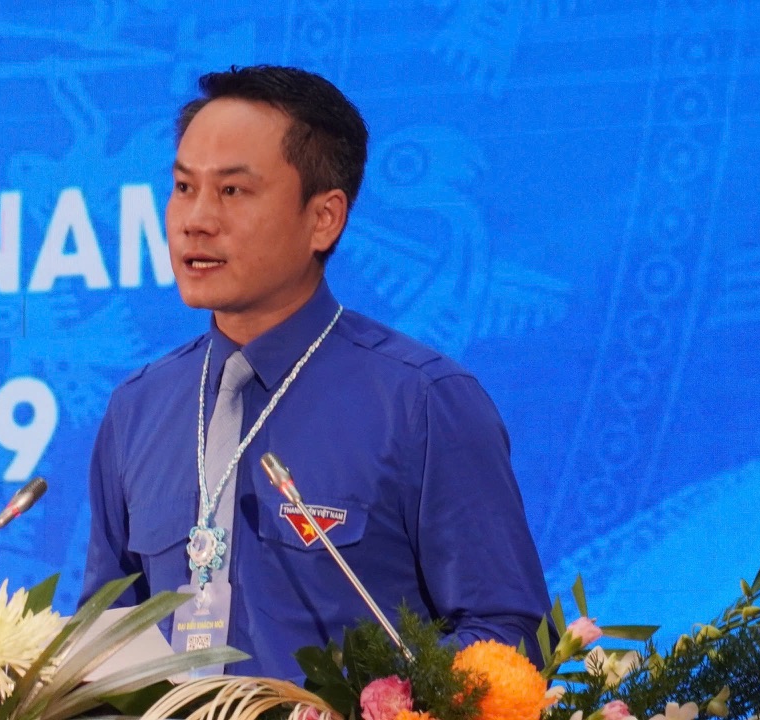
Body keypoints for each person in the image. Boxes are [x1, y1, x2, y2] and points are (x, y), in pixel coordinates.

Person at [80, 64, 551, 680]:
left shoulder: (422, 402)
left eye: (232, 191)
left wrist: (379, 706)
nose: (195, 219)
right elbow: (107, 636)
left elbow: (508, 638)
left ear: (324, 218)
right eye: (184, 187)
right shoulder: (137, 408)